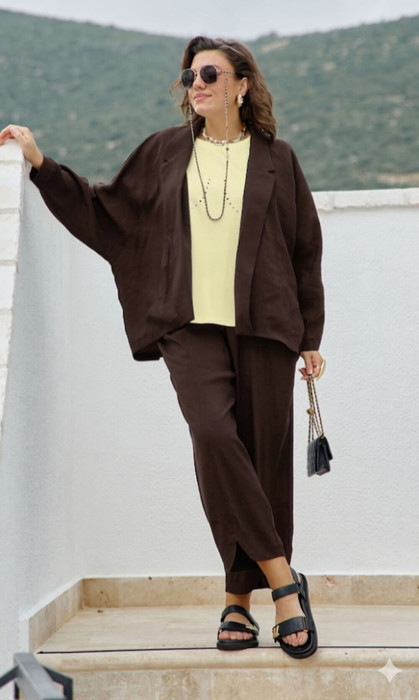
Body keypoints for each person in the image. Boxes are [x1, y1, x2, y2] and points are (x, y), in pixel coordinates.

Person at [0, 35, 324, 659]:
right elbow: (107, 213)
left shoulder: (278, 160)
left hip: (266, 326)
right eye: (190, 75)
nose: (196, 83)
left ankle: (237, 600)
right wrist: (42, 165)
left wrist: (310, 337)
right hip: (187, 326)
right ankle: (285, 582)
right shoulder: (164, 152)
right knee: (213, 436)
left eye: (210, 74)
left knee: (263, 461)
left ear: (241, 86)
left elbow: (305, 251)